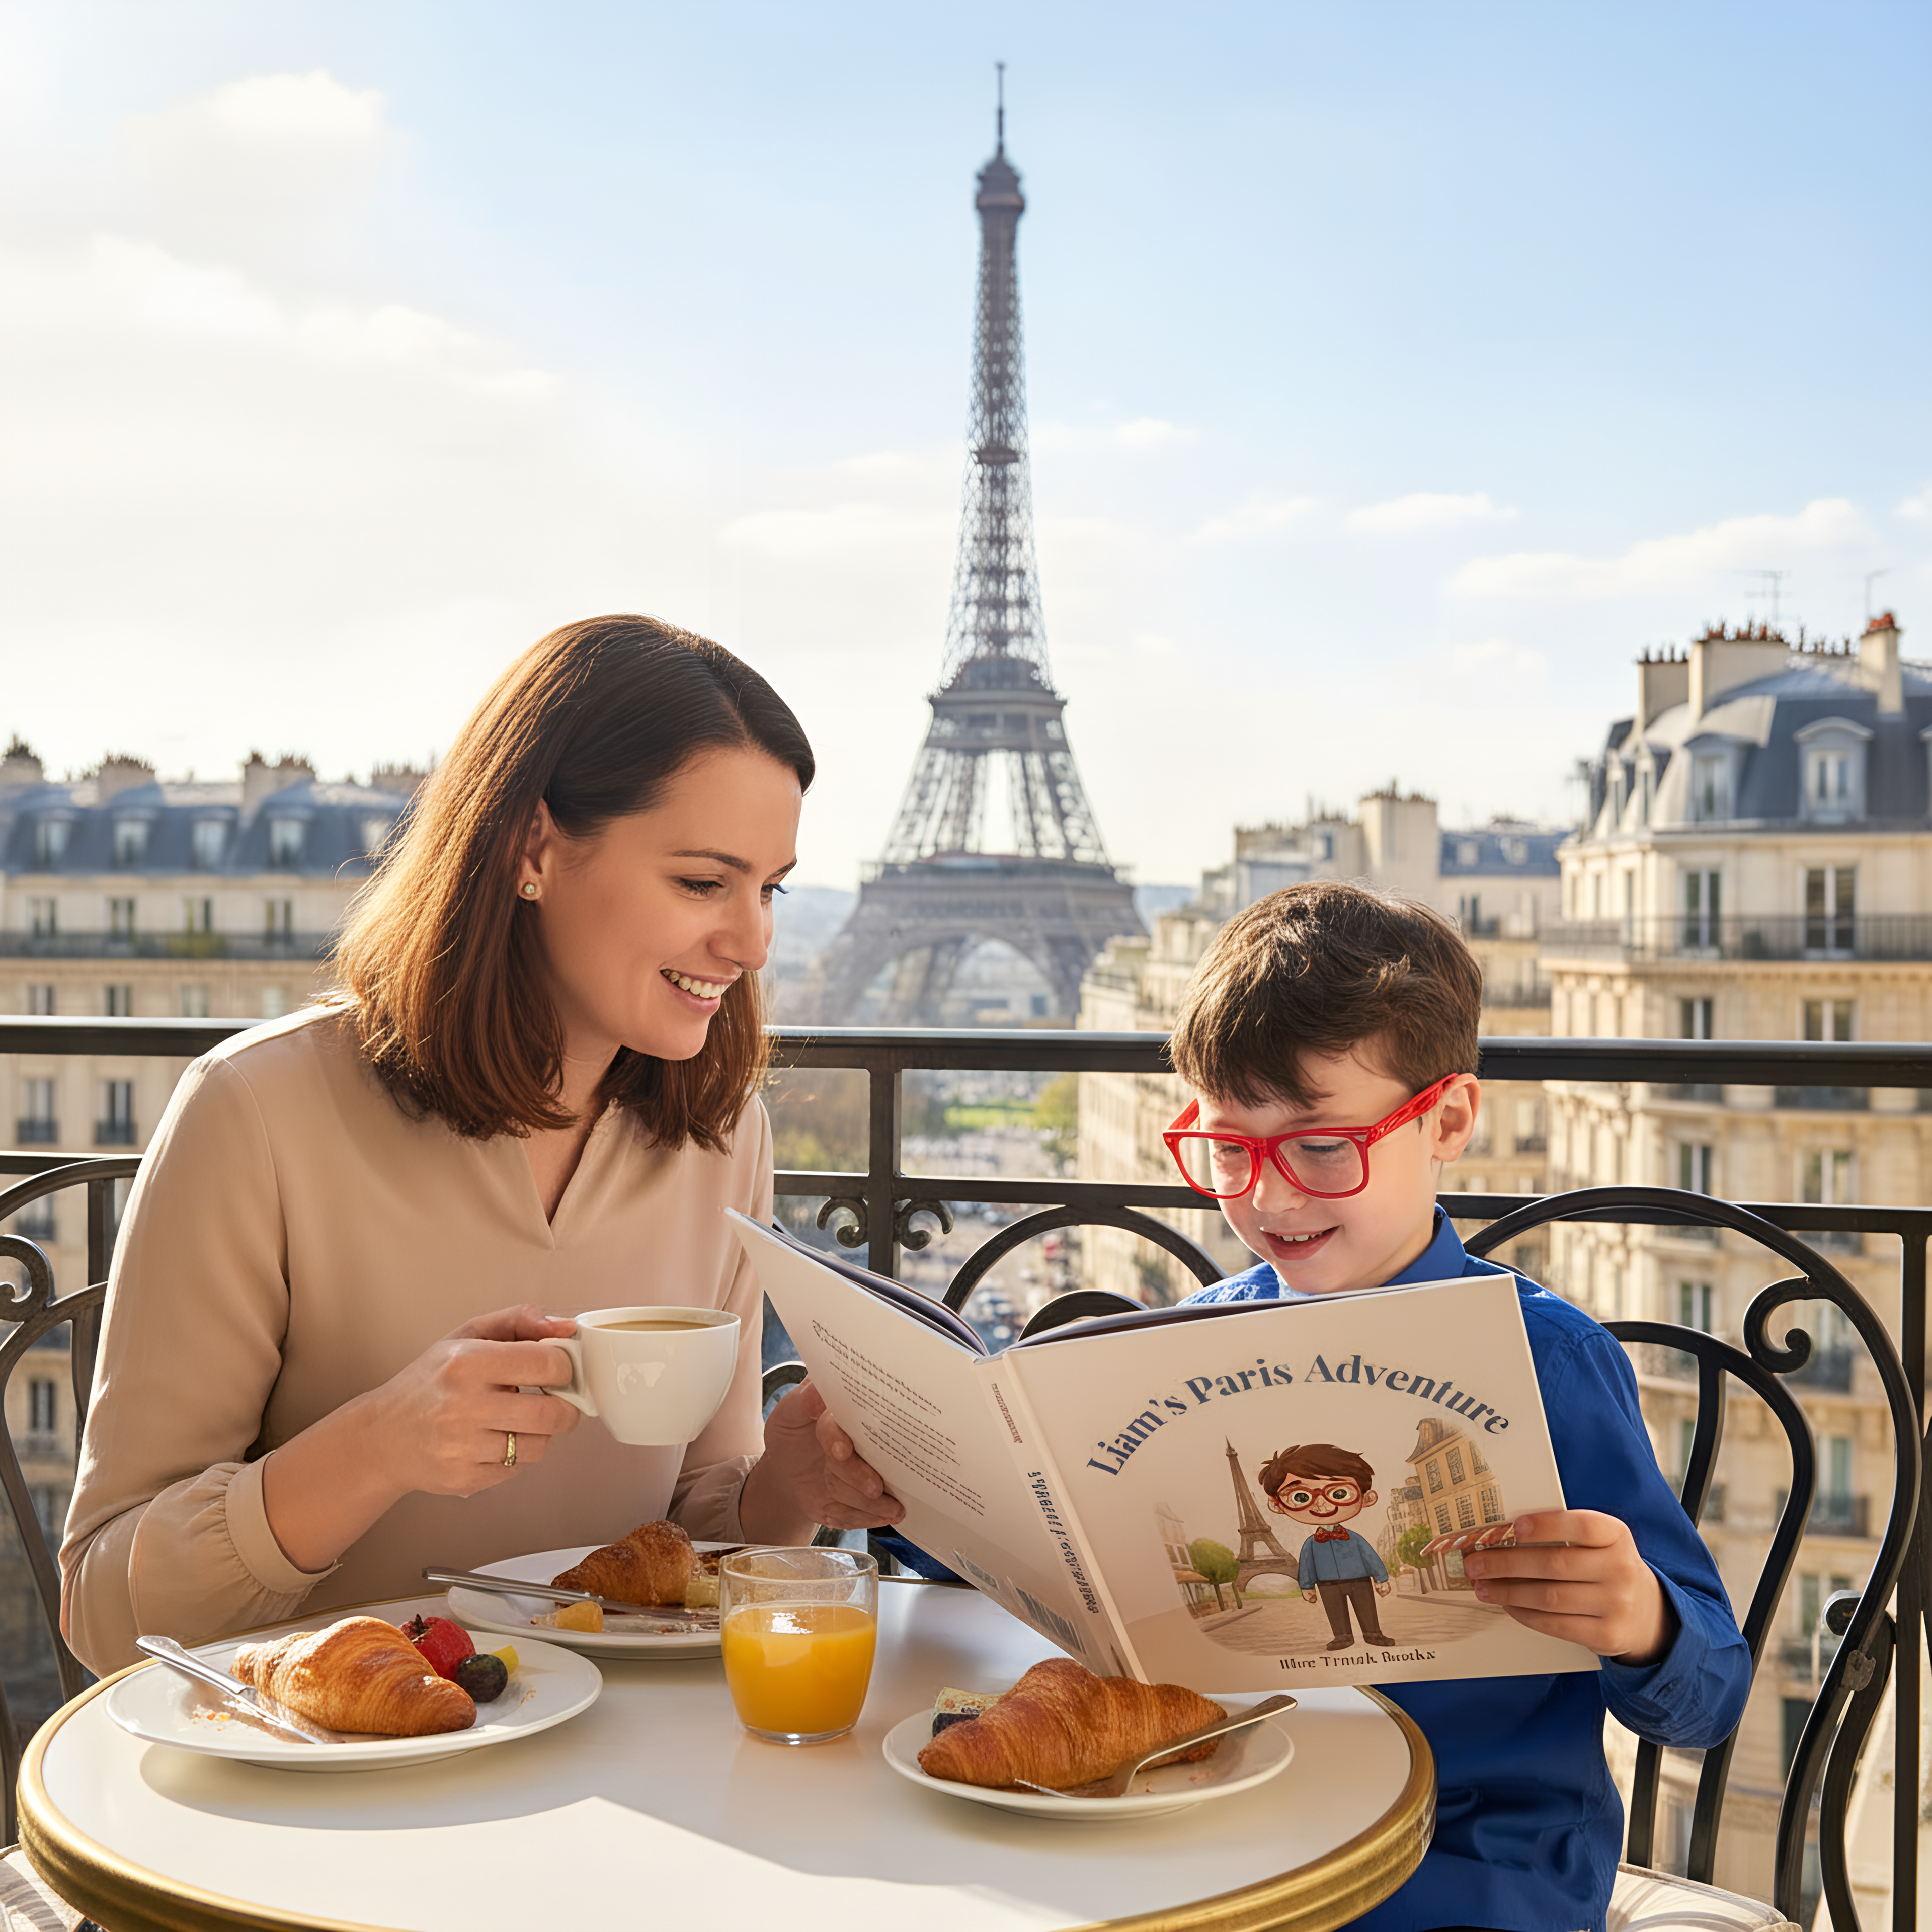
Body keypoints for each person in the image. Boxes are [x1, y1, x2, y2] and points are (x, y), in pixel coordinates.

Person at [61, 615, 903, 1674]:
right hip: (338, 1791)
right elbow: (103, 1613)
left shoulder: (723, 1135)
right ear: (533, 850)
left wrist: (787, 1491)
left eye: (769, 887)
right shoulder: (255, 1112)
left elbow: (686, 1535)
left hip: (631, 1773)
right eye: (703, 882)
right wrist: (376, 1446)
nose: (754, 941)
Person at [1160, 880, 1750, 1932]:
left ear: (1449, 1120)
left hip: (1471, 1865)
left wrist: (1642, 1622)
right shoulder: (1180, 1344)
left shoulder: (1552, 1363)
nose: (1270, 1195)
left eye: (1322, 1145)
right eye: (1228, 1148)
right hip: (1231, 1834)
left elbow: (1709, 1697)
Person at [1256, 1443, 1395, 1649]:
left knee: (1367, 1608)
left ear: (1367, 1498)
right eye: (1301, 1497)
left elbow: (1371, 1558)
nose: (1321, 1504)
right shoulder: (1311, 1544)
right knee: (1335, 1610)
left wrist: (1381, 1579)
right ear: (1277, 1505)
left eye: (1338, 1493)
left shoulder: (1354, 1538)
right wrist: (1307, 1586)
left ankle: (1373, 1634)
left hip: (1360, 1580)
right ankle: (1343, 1637)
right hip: (1327, 1584)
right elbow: (1306, 1566)